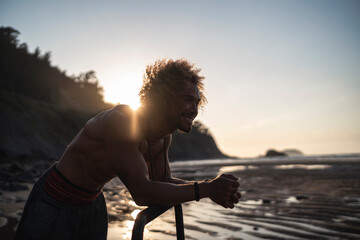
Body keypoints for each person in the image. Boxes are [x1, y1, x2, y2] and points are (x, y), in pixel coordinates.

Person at [15, 58, 241, 239]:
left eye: (197, 103)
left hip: (92, 203)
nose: (194, 109)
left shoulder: (163, 137)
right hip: (55, 198)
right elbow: (142, 193)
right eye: (188, 100)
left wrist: (211, 189)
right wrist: (206, 189)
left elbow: (161, 181)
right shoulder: (122, 123)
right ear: (163, 97)